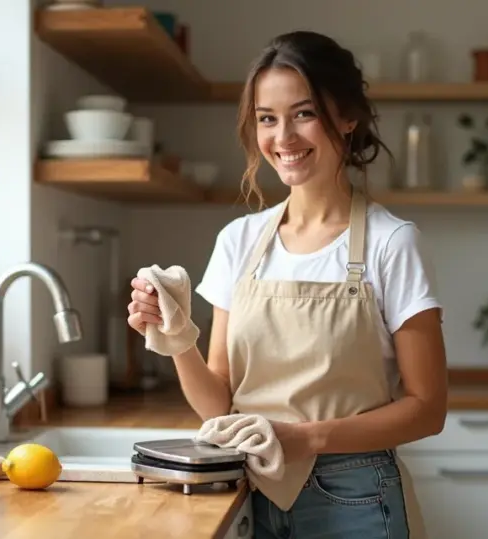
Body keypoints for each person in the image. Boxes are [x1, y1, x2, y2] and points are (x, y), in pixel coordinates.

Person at [127, 30, 448, 539]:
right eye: (267, 119)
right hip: (247, 488)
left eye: (304, 113)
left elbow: (428, 410)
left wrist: (306, 439)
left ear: (347, 118)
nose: (284, 138)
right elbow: (218, 405)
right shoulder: (239, 240)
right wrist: (178, 337)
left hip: (354, 495)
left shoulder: (392, 243)